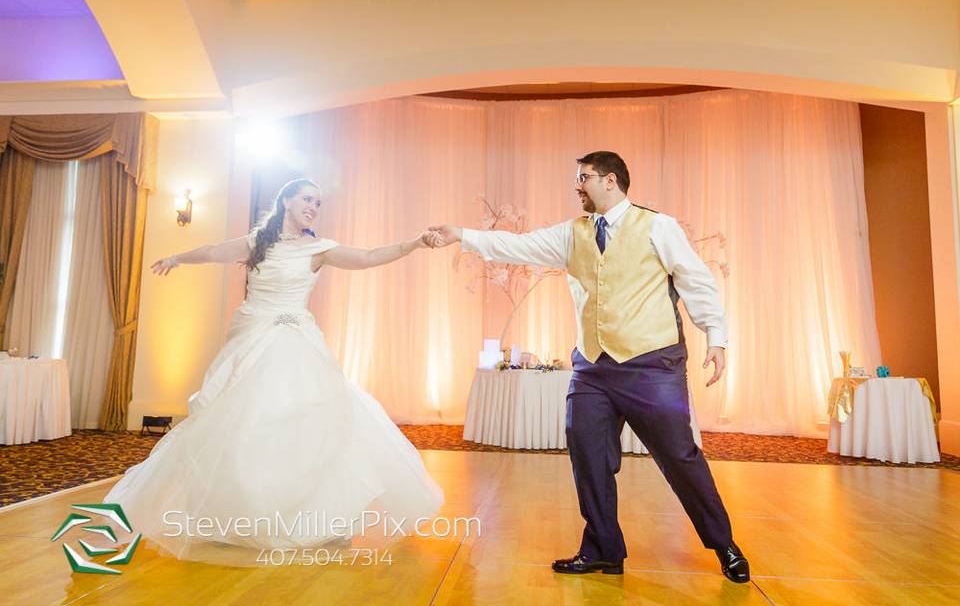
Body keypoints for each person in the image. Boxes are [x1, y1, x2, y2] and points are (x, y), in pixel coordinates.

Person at [428, 151, 749, 582]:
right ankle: (603, 549)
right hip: (592, 369)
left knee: (679, 456)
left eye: (584, 177)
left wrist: (717, 337)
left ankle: (724, 545)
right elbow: (516, 246)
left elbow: (695, 280)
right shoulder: (572, 234)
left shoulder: (658, 226)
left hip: (652, 364)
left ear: (611, 180)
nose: (577, 185)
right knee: (589, 457)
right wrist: (461, 234)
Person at [103, 178, 444, 565]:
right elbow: (215, 250)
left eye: (319, 202)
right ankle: (245, 516)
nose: (314, 206)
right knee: (242, 426)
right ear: (286, 200)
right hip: (250, 339)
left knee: (297, 423)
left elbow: (365, 258)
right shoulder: (257, 242)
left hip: (293, 342)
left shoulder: (318, 248)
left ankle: (302, 517)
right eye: (307, 199)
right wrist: (177, 258)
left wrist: (413, 244)